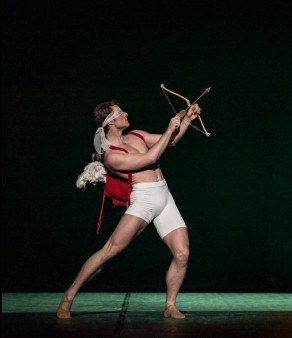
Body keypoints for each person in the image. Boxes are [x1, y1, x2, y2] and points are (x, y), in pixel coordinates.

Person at [57, 99, 202, 319]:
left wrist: (187, 120)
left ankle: (170, 306)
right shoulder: (112, 155)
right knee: (109, 251)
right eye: (120, 112)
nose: (126, 113)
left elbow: (169, 142)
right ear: (111, 121)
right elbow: (151, 157)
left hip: (164, 195)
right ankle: (68, 296)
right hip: (144, 198)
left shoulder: (137, 135)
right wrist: (169, 129)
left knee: (182, 253)